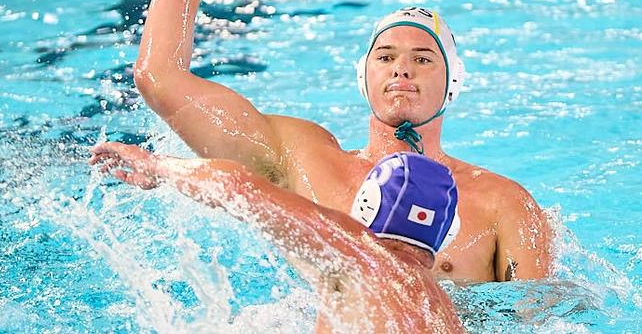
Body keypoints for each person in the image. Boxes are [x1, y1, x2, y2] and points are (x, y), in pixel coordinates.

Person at [132, 0, 552, 282]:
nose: (401, 70)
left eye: (422, 59)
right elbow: (160, 79)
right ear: (362, 76)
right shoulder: (304, 158)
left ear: (453, 82)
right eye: (385, 57)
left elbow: (543, 320)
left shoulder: (504, 203)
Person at [89, 141, 465, 333]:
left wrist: (156, 165)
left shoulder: (356, 250)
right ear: (442, 235)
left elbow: (237, 189)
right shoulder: (441, 310)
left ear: (367, 205)